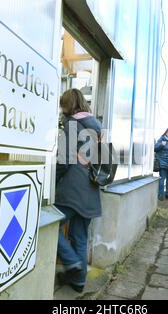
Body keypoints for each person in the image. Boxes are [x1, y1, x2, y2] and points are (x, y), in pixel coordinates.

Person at [54, 88, 102, 293]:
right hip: (91, 190)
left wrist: (53, 182)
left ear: (68, 105)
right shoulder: (97, 126)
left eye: (62, 104)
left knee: (49, 225)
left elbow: (64, 161)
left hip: (73, 189)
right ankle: (78, 282)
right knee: (80, 236)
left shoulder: (72, 124)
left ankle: (72, 263)